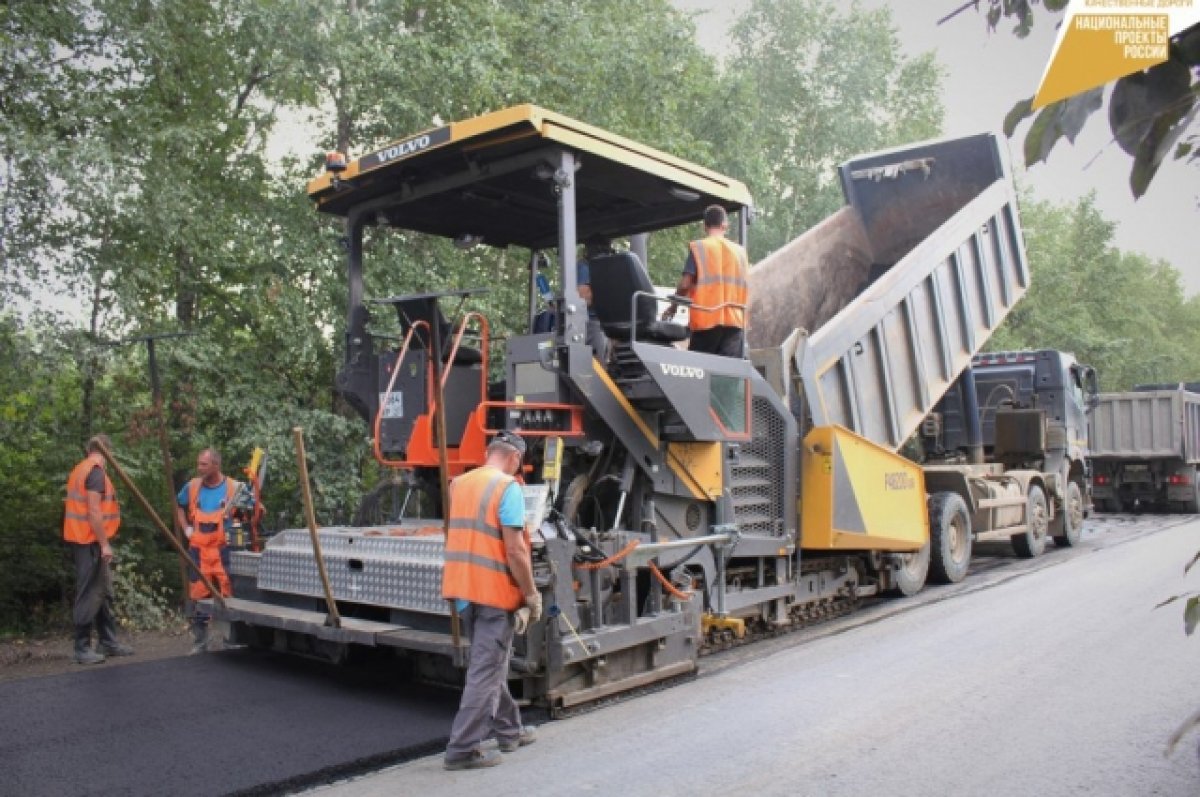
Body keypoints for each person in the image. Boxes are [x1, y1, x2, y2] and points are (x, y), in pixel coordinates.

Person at [441, 430, 541, 770]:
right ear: (515, 459)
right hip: (494, 594)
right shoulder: (506, 487)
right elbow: (515, 549)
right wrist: (530, 593)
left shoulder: (460, 484)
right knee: (485, 672)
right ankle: (462, 749)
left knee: (491, 664)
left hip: (464, 591)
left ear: (489, 452)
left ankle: (509, 731)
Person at [63, 434, 134, 664]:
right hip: (89, 541)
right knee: (89, 592)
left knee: (103, 590)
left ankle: (108, 641)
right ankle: (81, 647)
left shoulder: (82, 468)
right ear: (107, 452)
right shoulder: (95, 472)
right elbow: (94, 512)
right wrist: (104, 544)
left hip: (85, 538)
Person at [174, 448, 240, 654]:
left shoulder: (234, 488)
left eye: (203, 464)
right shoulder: (192, 487)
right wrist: (186, 528)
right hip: (198, 550)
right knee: (198, 595)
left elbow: (253, 512)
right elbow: (179, 505)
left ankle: (231, 639)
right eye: (199, 464)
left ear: (216, 465)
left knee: (228, 593)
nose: (199, 468)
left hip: (223, 550)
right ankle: (200, 640)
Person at [662, 204, 750, 357]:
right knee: (727, 375)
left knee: (700, 372)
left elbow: (685, 284)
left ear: (705, 226)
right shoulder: (741, 253)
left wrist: (673, 307)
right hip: (735, 323)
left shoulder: (700, 247)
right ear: (725, 225)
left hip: (706, 320)